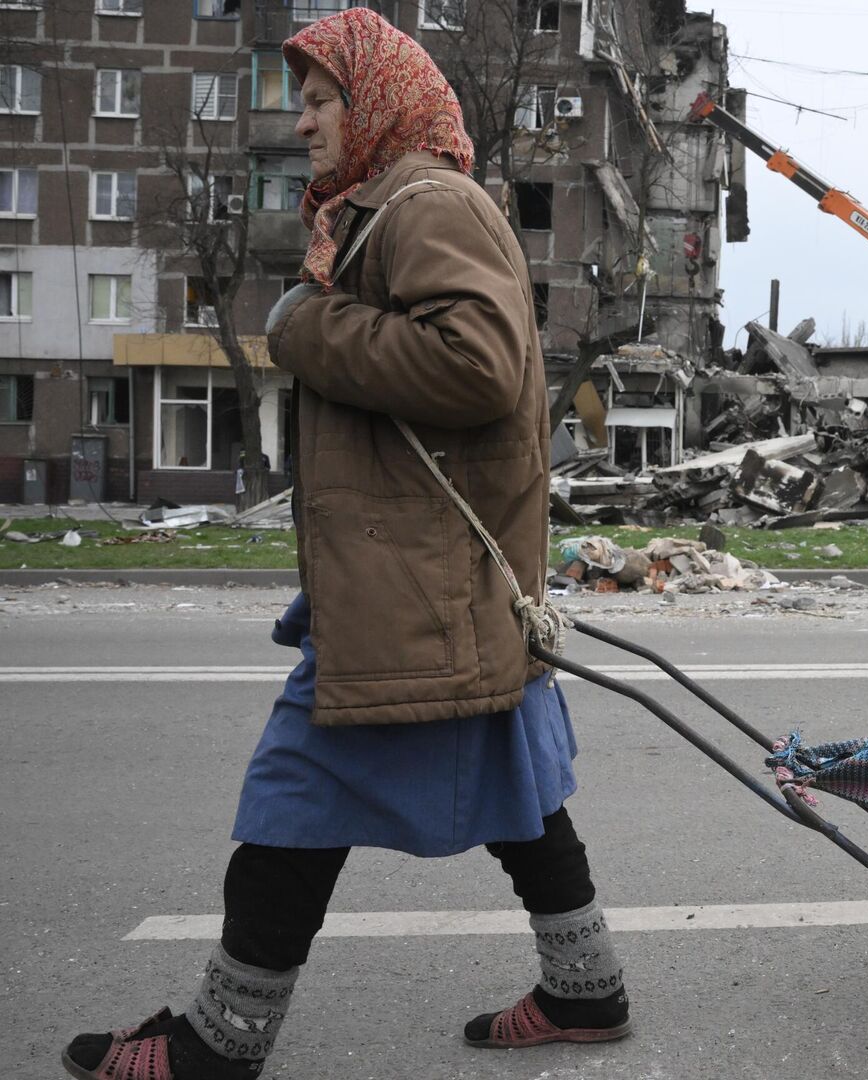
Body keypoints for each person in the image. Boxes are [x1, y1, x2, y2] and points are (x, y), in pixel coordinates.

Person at [61, 11, 628, 1078]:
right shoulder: (388, 209)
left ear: (376, 104)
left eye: (323, 102)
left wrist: (307, 328)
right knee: (516, 784)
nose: (307, 122)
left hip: (416, 590)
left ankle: (218, 1046)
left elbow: (478, 367)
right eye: (306, 102)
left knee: (293, 795)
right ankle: (586, 990)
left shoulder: (425, 204)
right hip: (420, 583)